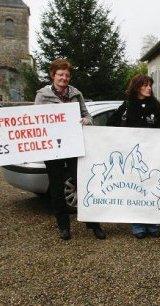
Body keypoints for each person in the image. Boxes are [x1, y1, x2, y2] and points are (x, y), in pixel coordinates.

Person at [35, 58, 106, 241]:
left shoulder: (76, 94)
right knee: (57, 188)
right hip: (53, 149)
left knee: (83, 184)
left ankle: (93, 224)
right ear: (53, 75)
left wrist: (86, 121)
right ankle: (63, 226)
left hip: (74, 146)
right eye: (60, 74)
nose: (64, 78)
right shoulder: (42, 96)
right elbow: (36, 120)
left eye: (67, 75)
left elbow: (87, 114)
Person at [107, 75, 160, 239]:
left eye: (150, 85)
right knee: (135, 192)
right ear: (137, 87)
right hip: (132, 158)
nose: (149, 88)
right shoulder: (127, 105)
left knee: (151, 189)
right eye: (145, 85)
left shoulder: (156, 106)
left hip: (151, 155)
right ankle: (138, 226)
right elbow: (111, 124)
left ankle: (153, 225)